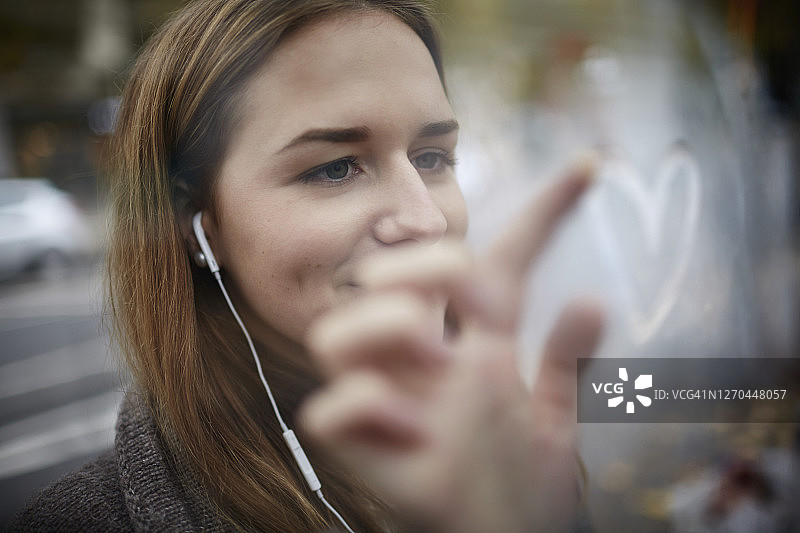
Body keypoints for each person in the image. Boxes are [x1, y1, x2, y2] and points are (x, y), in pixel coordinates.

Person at [9, 0, 603, 531]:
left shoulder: (513, 430)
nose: (426, 220)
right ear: (198, 227)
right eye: (335, 168)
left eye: (431, 157)